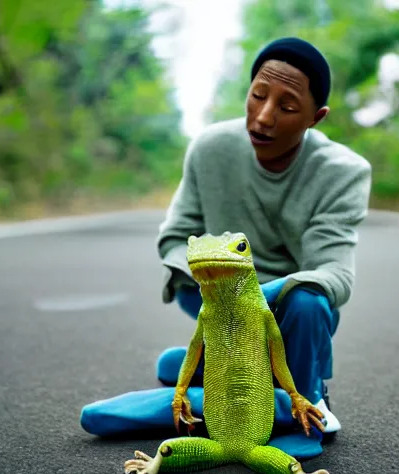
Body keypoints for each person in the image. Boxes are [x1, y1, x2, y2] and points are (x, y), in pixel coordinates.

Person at [80, 37, 372, 452]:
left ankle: (303, 410)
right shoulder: (210, 147)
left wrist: (255, 296)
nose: (264, 117)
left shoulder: (344, 172)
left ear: (315, 117)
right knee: (210, 351)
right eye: (257, 96)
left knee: (309, 302)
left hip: (290, 308)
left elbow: (335, 273)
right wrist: (208, 281)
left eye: (287, 107)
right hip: (214, 292)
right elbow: (177, 233)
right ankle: (243, 380)